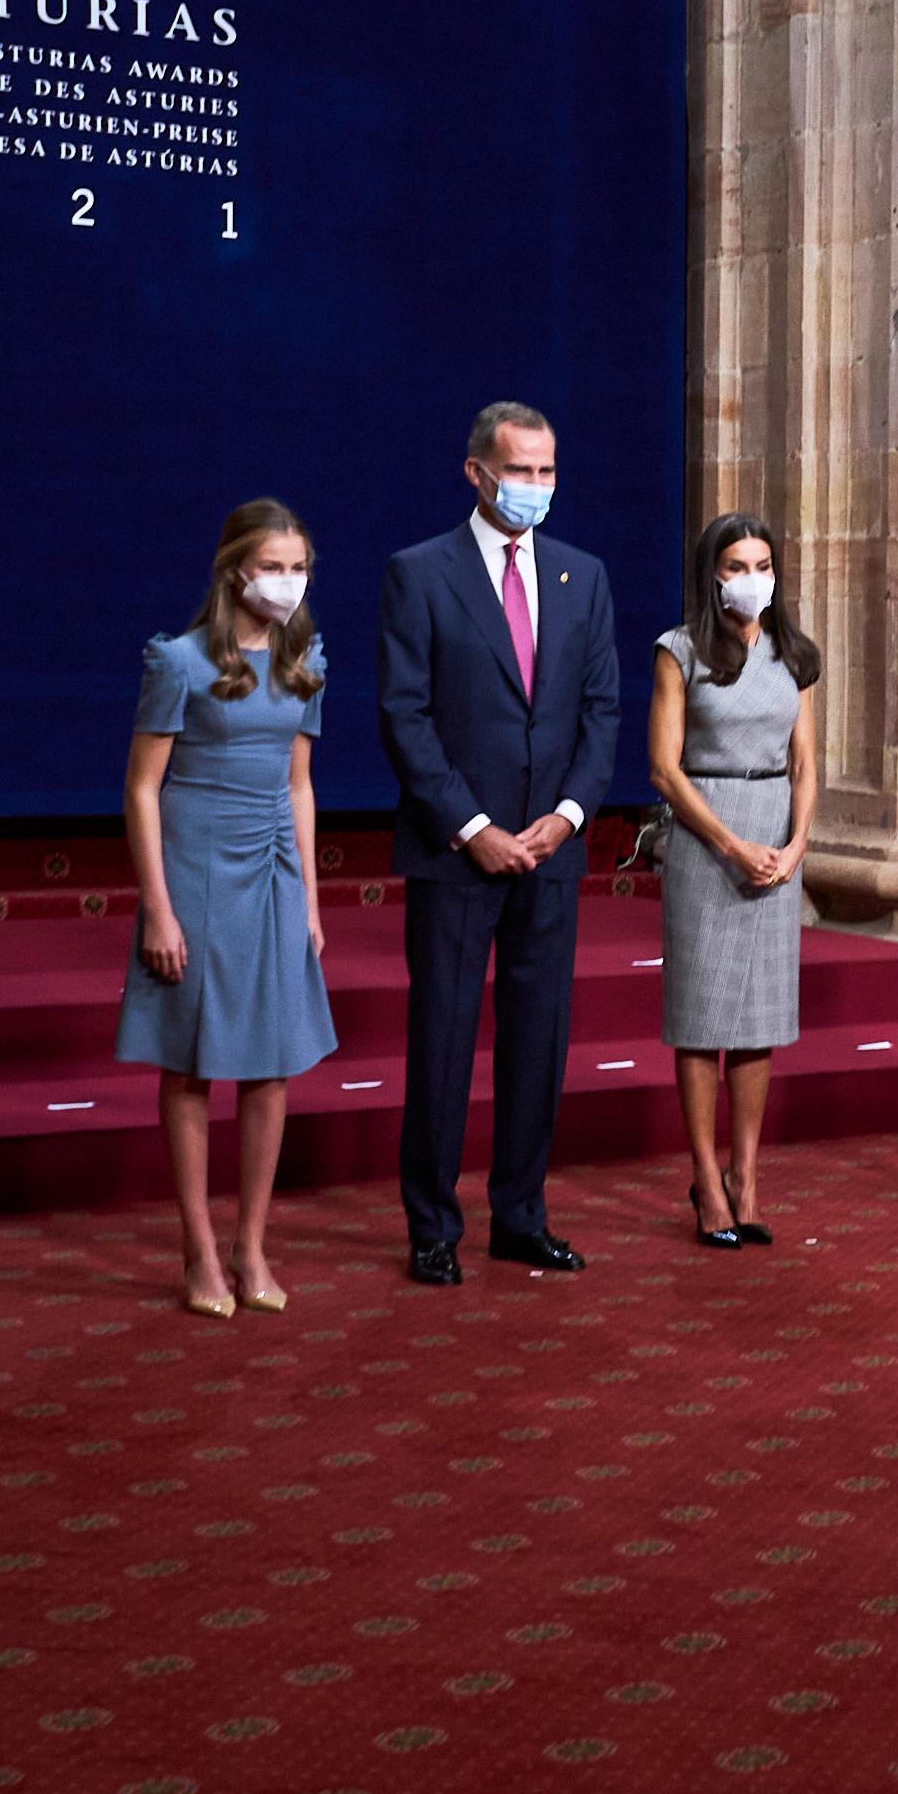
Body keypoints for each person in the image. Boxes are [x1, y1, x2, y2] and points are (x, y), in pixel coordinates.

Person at [377, 401, 622, 1285]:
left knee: (538, 1040)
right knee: (442, 1039)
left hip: (551, 852)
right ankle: (432, 1226)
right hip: (456, 852)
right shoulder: (420, 573)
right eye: (520, 471)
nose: (536, 487)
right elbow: (404, 716)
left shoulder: (581, 576)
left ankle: (520, 1214)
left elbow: (600, 715)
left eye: (548, 471)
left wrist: (568, 816)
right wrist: (473, 827)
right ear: (476, 471)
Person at [117, 498, 341, 1318]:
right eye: (275, 567)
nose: (289, 582)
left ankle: (251, 1245)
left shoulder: (303, 658)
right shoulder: (178, 662)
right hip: (196, 868)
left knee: (271, 1065)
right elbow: (142, 789)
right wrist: (158, 909)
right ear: (235, 571)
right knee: (190, 1064)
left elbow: (300, 784)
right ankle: (199, 1252)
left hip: (275, 869)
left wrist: (312, 902)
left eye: (300, 567)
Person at [650, 513, 822, 1248]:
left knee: (760, 1021)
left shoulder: (793, 653)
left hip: (777, 837)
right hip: (706, 836)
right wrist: (729, 843)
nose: (752, 578)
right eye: (737, 565)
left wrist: (795, 846)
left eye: (762, 564)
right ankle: (704, 1179)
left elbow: (807, 760)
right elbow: (663, 767)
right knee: (702, 1018)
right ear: (711, 574)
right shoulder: (679, 650)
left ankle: (746, 1176)